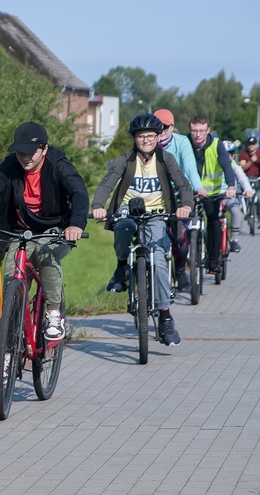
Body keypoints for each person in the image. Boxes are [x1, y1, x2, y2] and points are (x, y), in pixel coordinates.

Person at [0, 121, 89, 341]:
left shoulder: (58, 164)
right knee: (10, 279)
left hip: (55, 228)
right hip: (21, 229)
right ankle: (11, 344)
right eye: (20, 153)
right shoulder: (11, 165)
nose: (25, 158)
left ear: (44, 149)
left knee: (46, 255)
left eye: (30, 153)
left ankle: (54, 313)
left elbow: (79, 192)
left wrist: (76, 224)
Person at [91, 113, 193, 346]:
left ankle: (165, 316)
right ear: (134, 138)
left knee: (157, 259)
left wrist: (186, 205)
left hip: (157, 215)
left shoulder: (166, 159)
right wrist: (98, 205)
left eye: (150, 136)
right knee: (123, 229)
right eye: (140, 136)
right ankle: (121, 269)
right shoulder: (125, 160)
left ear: (158, 137)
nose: (145, 140)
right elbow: (108, 182)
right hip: (128, 212)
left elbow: (182, 183)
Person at [154, 108, 203, 292]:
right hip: (157, 194)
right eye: (156, 127)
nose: (160, 131)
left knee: (180, 235)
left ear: (172, 127)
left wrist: (197, 187)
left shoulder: (182, 142)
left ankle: (181, 270)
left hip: (179, 192)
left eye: (164, 127)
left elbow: (190, 167)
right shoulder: (148, 144)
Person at [187, 115, 237, 274]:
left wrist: (230, 186)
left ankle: (214, 260)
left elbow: (227, 167)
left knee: (214, 221)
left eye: (201, 130)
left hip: (212, 193)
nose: (197, 134)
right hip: (190, 192)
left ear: (208, 130)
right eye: (194, 130)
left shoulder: (217, 145)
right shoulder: (185, 143)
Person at [222, 141, 254, 253]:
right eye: (224, 154)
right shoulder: (213, 163)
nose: (227, 157)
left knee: (236, 212)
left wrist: (248, 190)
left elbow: (242, 178)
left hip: (230, 197)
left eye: (229, 154)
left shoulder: (234, 165)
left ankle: (234, 239)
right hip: (216, 196)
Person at [238, 136, 260, 229]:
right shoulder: (243, 154)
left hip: (258, 179)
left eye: (253, 144)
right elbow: (242, 167)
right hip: (246, 179)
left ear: (256, 145)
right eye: (249, 144)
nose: (251, 146)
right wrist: (251, 161)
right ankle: (245, 213)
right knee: (244, 199)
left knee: (259, 200)